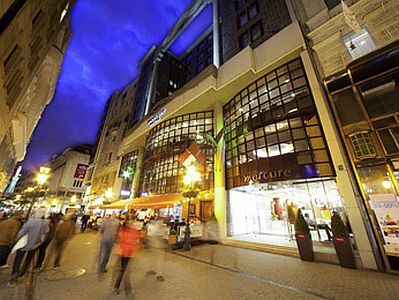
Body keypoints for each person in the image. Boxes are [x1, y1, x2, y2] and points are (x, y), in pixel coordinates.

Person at [8, 209, 49, 286]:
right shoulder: (44, 223)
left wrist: (15, 241)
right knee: (28, 259)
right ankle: (22, 273)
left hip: (24, 243)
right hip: (34, 245)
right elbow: (45, 233)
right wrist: (40, 241)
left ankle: (14, 278)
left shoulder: (30, 222)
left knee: (18, 260)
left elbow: (21, 232)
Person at [113, 216, 141, 295]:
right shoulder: (123, 231)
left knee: (124, 271)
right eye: (130, 223)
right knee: (124, 271)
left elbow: (137, 239)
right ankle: (126, 291)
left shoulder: (132, 231)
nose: (132, 224)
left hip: (129, 254)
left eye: (132, 223)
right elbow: (121, 241)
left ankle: (117, 287)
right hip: (124, 253)